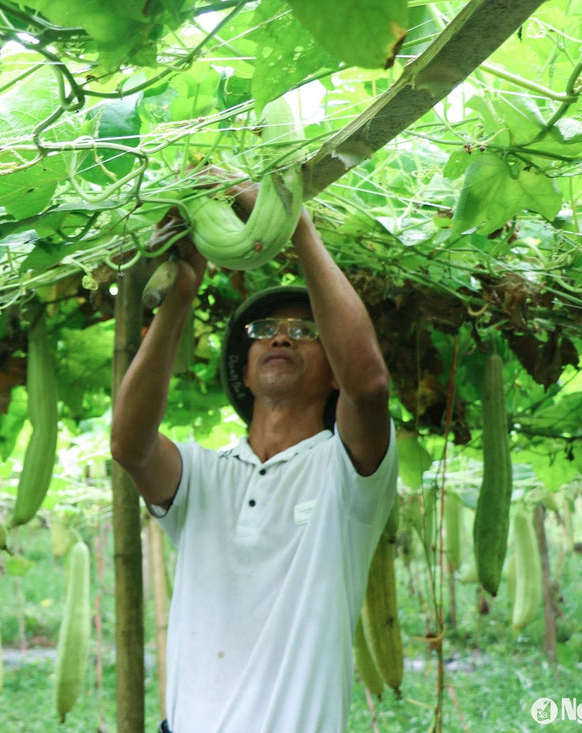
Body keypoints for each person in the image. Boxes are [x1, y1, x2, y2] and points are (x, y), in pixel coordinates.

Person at [110, 194, 399, 732]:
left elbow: (371, 386)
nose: (282, 336)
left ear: (334, 372)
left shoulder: (349, 474)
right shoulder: (202, 476)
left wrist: (296, 227)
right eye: (264, 331)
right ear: (244, 373)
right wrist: (180, 296)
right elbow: (130, 446)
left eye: (305, 331)